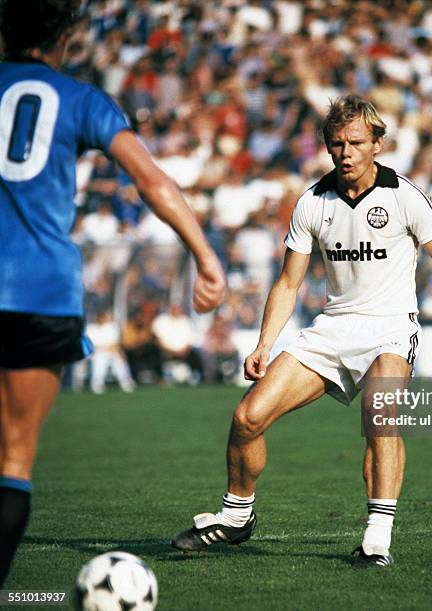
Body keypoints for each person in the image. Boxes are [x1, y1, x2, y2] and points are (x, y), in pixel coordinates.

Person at [172, 95, 432, 568]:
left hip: (389, 329)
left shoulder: (404, 196)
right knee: (247, 417)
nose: (345, 152)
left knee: (379, 415)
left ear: (377, 145)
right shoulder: (312, 202)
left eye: (355, 142)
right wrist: (264, 343)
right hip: (332, 331)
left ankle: (376, 540)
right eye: (336, 143)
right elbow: (288, 282)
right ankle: (238, 514)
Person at [0, 0, 225, 586]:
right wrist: (205, 258)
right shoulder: (82, 100)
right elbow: (152, 181)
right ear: (69, 36)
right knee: (13, 460)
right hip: (41, 290)